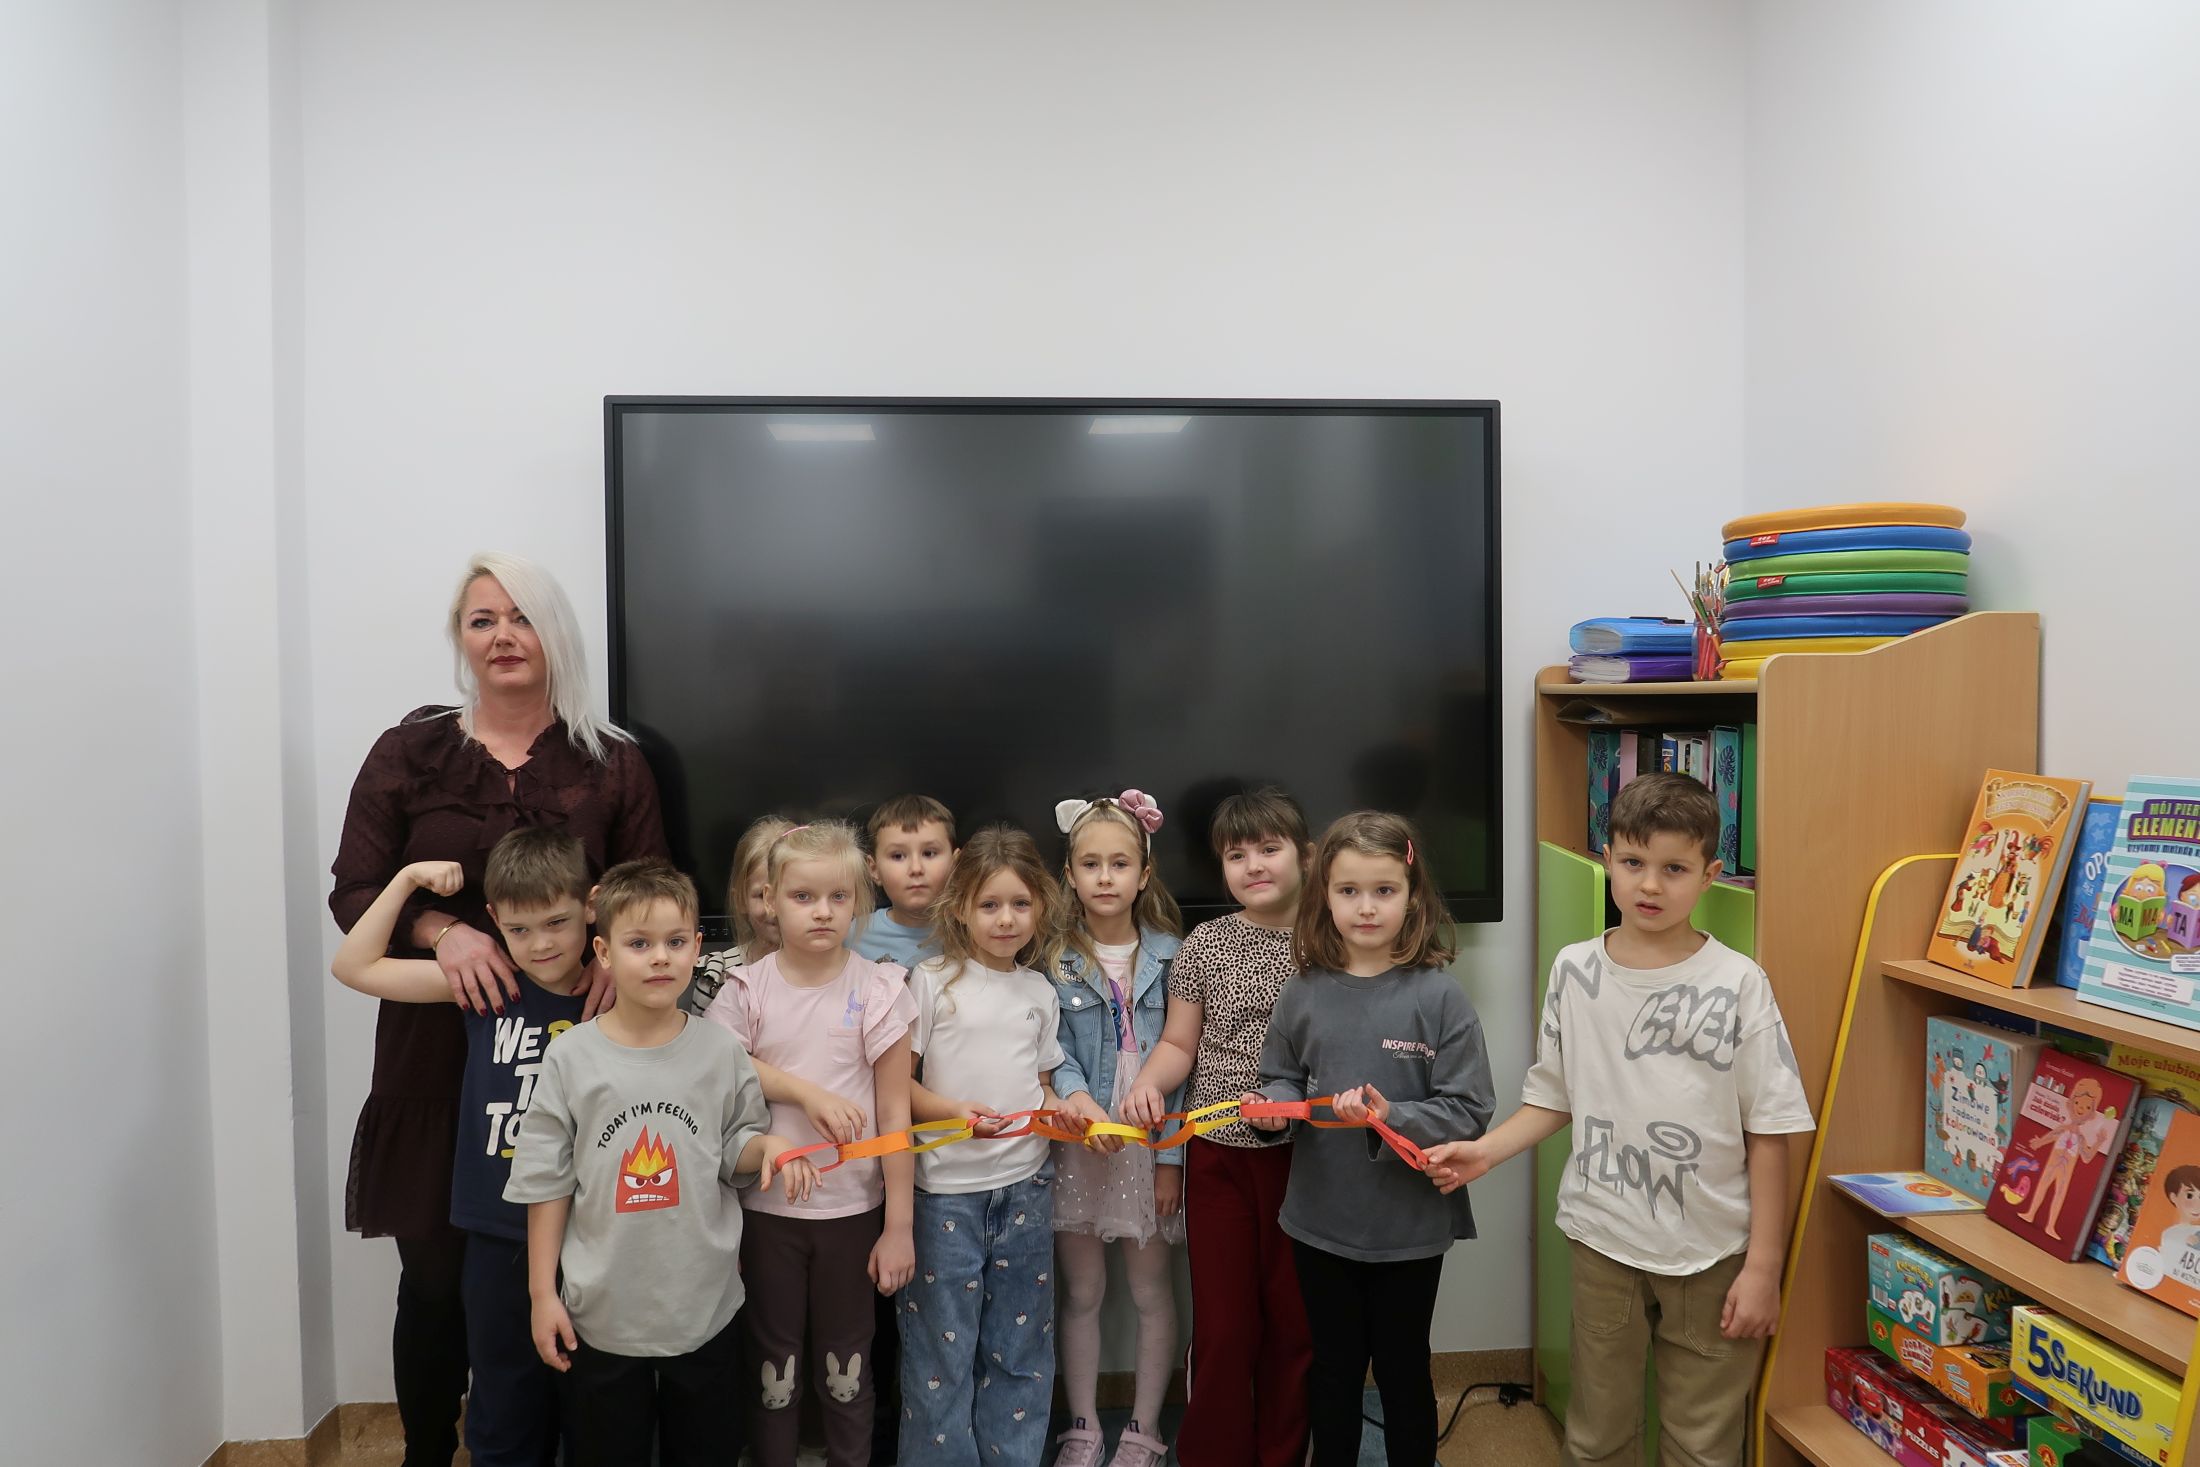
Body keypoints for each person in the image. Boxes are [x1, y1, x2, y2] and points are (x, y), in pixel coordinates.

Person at [327, 551, 667, 1467]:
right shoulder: (409, 751)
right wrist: (442, 930)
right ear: (460, 638)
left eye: (522, 617)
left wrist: (616, 957)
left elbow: (651, 888)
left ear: (555, 633)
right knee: (437, 1277)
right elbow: (354, 889)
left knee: (567, 1262)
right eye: (483, 619)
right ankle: (428, 1451)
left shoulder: (612, 760)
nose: (504, 635)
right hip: (434, 1053)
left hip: (571, 1052)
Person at [1424, 773, 1815, 1467]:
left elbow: (1770, 1130)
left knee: (1702, 1443)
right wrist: (1484, 1151)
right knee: (1596, 1434)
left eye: (1675, 868)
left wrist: (1764, 1266)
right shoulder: (1575, 970)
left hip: (1714, 1252)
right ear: (1607, 860)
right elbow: (1555, 1096)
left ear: (1710, 875)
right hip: (1602, 1240)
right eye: (1633, 862)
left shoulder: (1738, 983)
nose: (1650, 885)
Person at [505, 859, 814, 1467]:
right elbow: (546, 1184)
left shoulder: (721, 1050)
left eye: (675, 942)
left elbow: (735, 1148)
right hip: (600, 1313)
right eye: (639, 943)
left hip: (704, 1308)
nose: (659, 959)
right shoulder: (570, 1057)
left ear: (698, 948)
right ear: (603, 951)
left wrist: (771, 1148)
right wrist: (543, 1294)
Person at [330, 828, 595, 1467]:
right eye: (521, 929)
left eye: (557, 923)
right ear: (495, 922)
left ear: (590, 909)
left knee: (590, 1398)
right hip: (496, 1227)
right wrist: (406, 882)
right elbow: (352, 967)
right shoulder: (487, 988)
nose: (542, 944)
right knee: (503, 1397)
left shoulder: (613, 997)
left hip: (591, 1228)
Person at [1248, 811, 1493, 1467]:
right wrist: (1272, 1109)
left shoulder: (1441, 997)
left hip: (1409, 1227)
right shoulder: (1301, 991)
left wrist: (1392, 1115)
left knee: (1404, 1368)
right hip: (1320, 1221)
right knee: (1332, 1369)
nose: (1365, 907)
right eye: (1348, 890)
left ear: (1412, 896)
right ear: (1323, 896)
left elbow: (1470, 1109)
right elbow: (1279, 1077)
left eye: (1384, 890)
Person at [704, 821, 919, 1467]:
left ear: (858, 901)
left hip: (852, 1214)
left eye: (837, 897)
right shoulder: (746, 989)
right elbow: (725, 1069)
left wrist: (899, 1227)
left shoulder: (879, 988)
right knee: (775, 1370)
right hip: (766, 1214)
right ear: (770, 900)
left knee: (846, 1368)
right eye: (803, 896)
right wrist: (807, 1094)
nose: (821, 911)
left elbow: (895, 1112)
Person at [1119, 787, 1315, 1467]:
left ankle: (1282, 1453)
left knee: (1294, 1321)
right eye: (1237, 854)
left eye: (1269, 848)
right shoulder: (1205, 943)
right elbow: (1179, 1043)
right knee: (1226, 1323)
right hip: (1218, 1158)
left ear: (1305, 855)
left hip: (1307, 1161)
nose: (1253, 865)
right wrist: (1148, 1082)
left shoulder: (1331, 940)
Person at [900, 827, 1068, 1467]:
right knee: (940, 1356)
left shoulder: (1040, 992)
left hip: (1026, 1189)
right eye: (989, 904)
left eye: (1020, 904)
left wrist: (1064, 1113)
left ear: (1041, 907)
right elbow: (898, 1088)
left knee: (1020, 1348)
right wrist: (952, 1114)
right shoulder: (930, 982)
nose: (1006, 919)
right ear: (960, 908)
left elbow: (1042, 1087)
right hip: (945, 1196)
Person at [1044, 791, 1187, 1467]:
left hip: (1149, 1147)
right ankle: (1082, 1426)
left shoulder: (1174, 955)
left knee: (1151, 1289)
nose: (1105, 877)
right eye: (1091, 863)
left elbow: (1184, 1063)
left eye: (1120, 863)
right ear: (1070, 875)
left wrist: (1171, 1162)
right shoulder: (1051, 959)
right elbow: (1051, 1050)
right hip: (1080, 1141)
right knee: (1082, 1292)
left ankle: (1145, 1428)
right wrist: (1079, 1100)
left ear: (1144, 873)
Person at [685, 813, 795, 1016]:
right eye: (761, 895)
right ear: (741, 900)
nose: (775, 908)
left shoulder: (836, 970)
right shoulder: (716, 976)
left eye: (797, 895)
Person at [849, 795, 958, 969]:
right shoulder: (853, 935)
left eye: (929, 853)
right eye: (898, 856)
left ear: (955, 862)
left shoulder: (975, 933)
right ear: (874, 869)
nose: (916, 868)